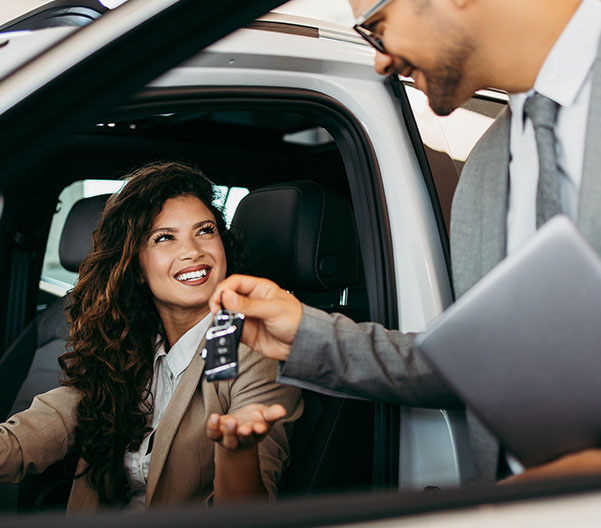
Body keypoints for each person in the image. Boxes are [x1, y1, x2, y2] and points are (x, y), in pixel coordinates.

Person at [210, 0, 601, 484]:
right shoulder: (486, 167)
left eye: (377, 26)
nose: (380, 59)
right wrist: (306, 334)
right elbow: (488, 365)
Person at [0, 162, 302, 512]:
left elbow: (245, 513)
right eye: (164, 237)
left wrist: (238, 451)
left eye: (205, 230)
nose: (192, 251)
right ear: (136, 268)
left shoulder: (252, 347)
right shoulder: (124, 345)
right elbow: (25, 439)